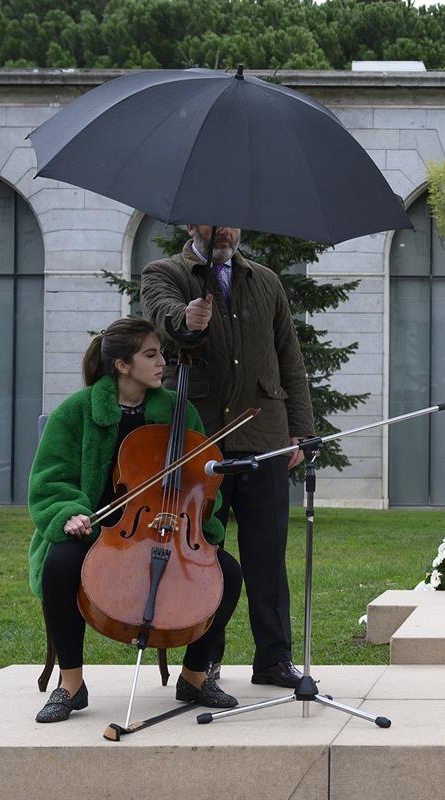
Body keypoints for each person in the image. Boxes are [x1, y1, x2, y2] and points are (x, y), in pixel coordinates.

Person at [28, 318, 242, 723]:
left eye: (161, 352)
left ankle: (195, 677)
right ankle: (71, 683)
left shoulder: (179, 411)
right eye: (151, 354)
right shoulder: (76, 412)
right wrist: (70, 511)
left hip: (170, 526)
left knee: (227, 573)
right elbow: (49, 478)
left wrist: (205, 485)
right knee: (58, 566)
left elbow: (200, 478)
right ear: (122, 366)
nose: (162, 362)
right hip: (99, 526)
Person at [141, 224, 313, 689]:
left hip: (265, 435)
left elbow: (288, 356)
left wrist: (301, 428)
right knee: (206, 555)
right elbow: (163, 318)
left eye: (234, 219)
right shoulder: (165, 273)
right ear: (189, 224)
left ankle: (273, 659)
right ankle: (204, 665)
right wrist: (186, 320)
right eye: (214, 218)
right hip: (201, 439)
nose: (226, 229)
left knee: (267, 556)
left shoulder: (266, 281)